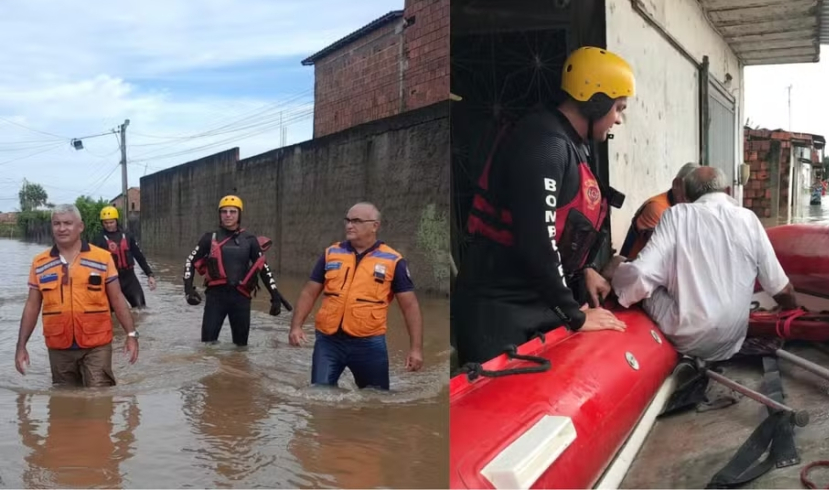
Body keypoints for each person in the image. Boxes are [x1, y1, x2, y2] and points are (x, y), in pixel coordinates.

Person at [451, 46, 636, 365]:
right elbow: (537, 238)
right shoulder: (545, 144)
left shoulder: (570, 143)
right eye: (618, 108)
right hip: (501, 310)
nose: (618, 119)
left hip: (534, 300)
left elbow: (560, 228)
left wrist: (584, 271)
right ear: (596, 101)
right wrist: (574, 315)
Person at [605, 167, 798, 362]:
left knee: (619, 265)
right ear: (728, 191)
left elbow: (641, 274)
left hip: (687, 338)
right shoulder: (749, 219)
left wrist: (618, 290)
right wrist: (794, 312)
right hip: (732, 340)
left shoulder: (676, 215)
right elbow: (782, 290)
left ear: (686, 197)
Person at [287, 202, 424, 391]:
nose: (349, 225)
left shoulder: (393, 261)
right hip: (329, 341)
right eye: (348, 220)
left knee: (376, 401)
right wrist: (296, 326)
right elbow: (309, 292)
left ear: (375, 226)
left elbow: (410, 306)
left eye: (357, 221)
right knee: (319, 396)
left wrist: (415, 349)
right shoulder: (331, 254)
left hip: (369, 344)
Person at [14, 204, 139, 387]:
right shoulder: (40, 263)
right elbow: (32, 305)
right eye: (57, 223)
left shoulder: (102, 258)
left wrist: (131, 334)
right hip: (59, 347)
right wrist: (21, 345)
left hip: (97, 345)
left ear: (80, 227)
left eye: (67, 223)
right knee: (64, 401)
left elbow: (117, 298)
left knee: (99, 398)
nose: (62, 228)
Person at [183, 194, 290, 346]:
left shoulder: (250, 240)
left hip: (241, 299)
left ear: (239, 214)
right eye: (224, 211)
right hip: (215, 298)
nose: (228, 215)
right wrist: (188, 289)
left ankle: (236, 371)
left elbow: (264, 269)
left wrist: (275, 297)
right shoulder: (209, 238)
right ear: (219, 214)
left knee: (241, 350)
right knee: (207, 348)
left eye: (232, 211)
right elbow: (190, 262)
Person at [620, 162, 699, 259]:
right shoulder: (657, 207)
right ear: (676, 185)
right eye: (690, 190)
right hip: (634, 269)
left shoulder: (687, 209)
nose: (694, 197)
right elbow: (666, 253)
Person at [91, 205, 157, 308]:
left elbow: (138, 256)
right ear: (102, 223)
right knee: (112, 314)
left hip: (129, 278)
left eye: (111, 222)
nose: (109, 225)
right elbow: (92, 264)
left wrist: (150, 275)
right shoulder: (98, 240)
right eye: (106, 223)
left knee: (141, 309)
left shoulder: (127, 235)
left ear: (116, 221)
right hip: (111, 280)